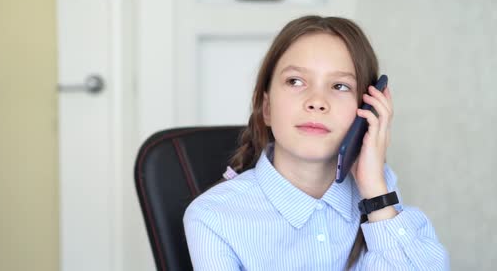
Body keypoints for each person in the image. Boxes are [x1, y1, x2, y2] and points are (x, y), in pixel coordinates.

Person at [183, 15, 449, 270]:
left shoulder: (380, 189)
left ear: (368, 110)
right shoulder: (212, 217)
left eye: (340, 86)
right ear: (266, 108)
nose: (317, 101)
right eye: (296, 81)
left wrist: (376, 196)